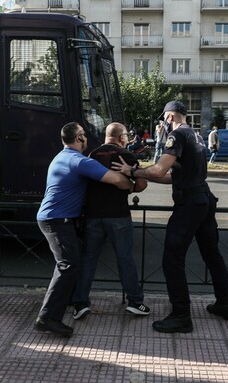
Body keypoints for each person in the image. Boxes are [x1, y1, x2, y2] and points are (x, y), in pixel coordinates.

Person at [112, 100, 228, 334]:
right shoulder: (195, 135)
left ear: (169, 118)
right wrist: (145, 176)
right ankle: (224, 304)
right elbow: (172, 176)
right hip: (204, 199)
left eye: (163, 120)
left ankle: (181, 316)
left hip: (190, 204)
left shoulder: (176, 137)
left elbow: (159, 169)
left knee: (172, 258)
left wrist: (132, 172)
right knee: (212, 254)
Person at [34, 122, 133, 337]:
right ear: (79, 138)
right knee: (68, 265)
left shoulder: (63, 156)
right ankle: (48, 318)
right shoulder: (78, 161)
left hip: (57, 219)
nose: (87, 138)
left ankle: (65, 302)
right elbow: (116, 179)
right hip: (57, 220)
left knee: (70, 263)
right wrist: (131, 182)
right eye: (84, 135)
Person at [72, 123, 150, 320]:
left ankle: (80, 303)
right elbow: (141, 184)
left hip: (93, 216)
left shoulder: (91, 156)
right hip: (119, 216)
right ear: (121, 137)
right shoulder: (127, 156)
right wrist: (130, 186)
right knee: (125, 258)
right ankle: (135, 302)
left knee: (89, 259)